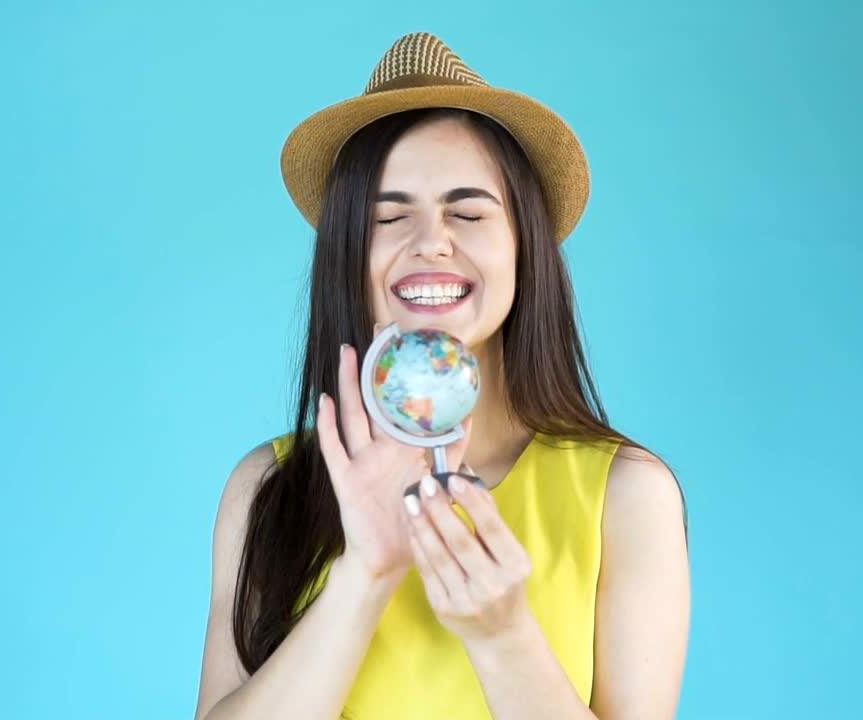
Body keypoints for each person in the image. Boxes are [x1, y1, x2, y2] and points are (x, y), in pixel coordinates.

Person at [194, 32, 691, 720]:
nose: (430, 240)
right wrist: (365, 574)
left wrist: (504, 636)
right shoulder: (268, 488)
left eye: (467, 212)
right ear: (346, 256)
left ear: (526, 247)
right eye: (389, 216)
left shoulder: (629, 496)